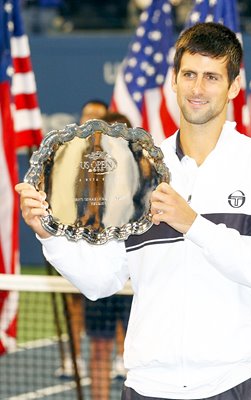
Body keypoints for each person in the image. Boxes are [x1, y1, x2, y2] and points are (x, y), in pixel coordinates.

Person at [16, 22, 251, 400]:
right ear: (174, 80)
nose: (198, 89)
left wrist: (194, 225)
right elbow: (103, 280)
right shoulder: (136, 168)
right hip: (148, 386)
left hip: (235, 382)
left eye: (212, 77)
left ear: (233, 86)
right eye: (189, 75)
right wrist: (48, 233)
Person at [54, 98, 109, 379]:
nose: (92, 123)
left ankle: (121, 357)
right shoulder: (68, 155)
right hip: (74, 240)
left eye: (98, 118)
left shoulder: (116, 159)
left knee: (114, 301)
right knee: (73, 304)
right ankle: (73, 358)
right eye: (88, 116)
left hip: (107, 242)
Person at [82, 111, 134, 400]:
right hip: (99, 275)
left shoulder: (144, 177)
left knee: (137, 350)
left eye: (119, 134)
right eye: (107, 134)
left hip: (135, 279)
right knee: (100, 348)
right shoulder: (88, 180)